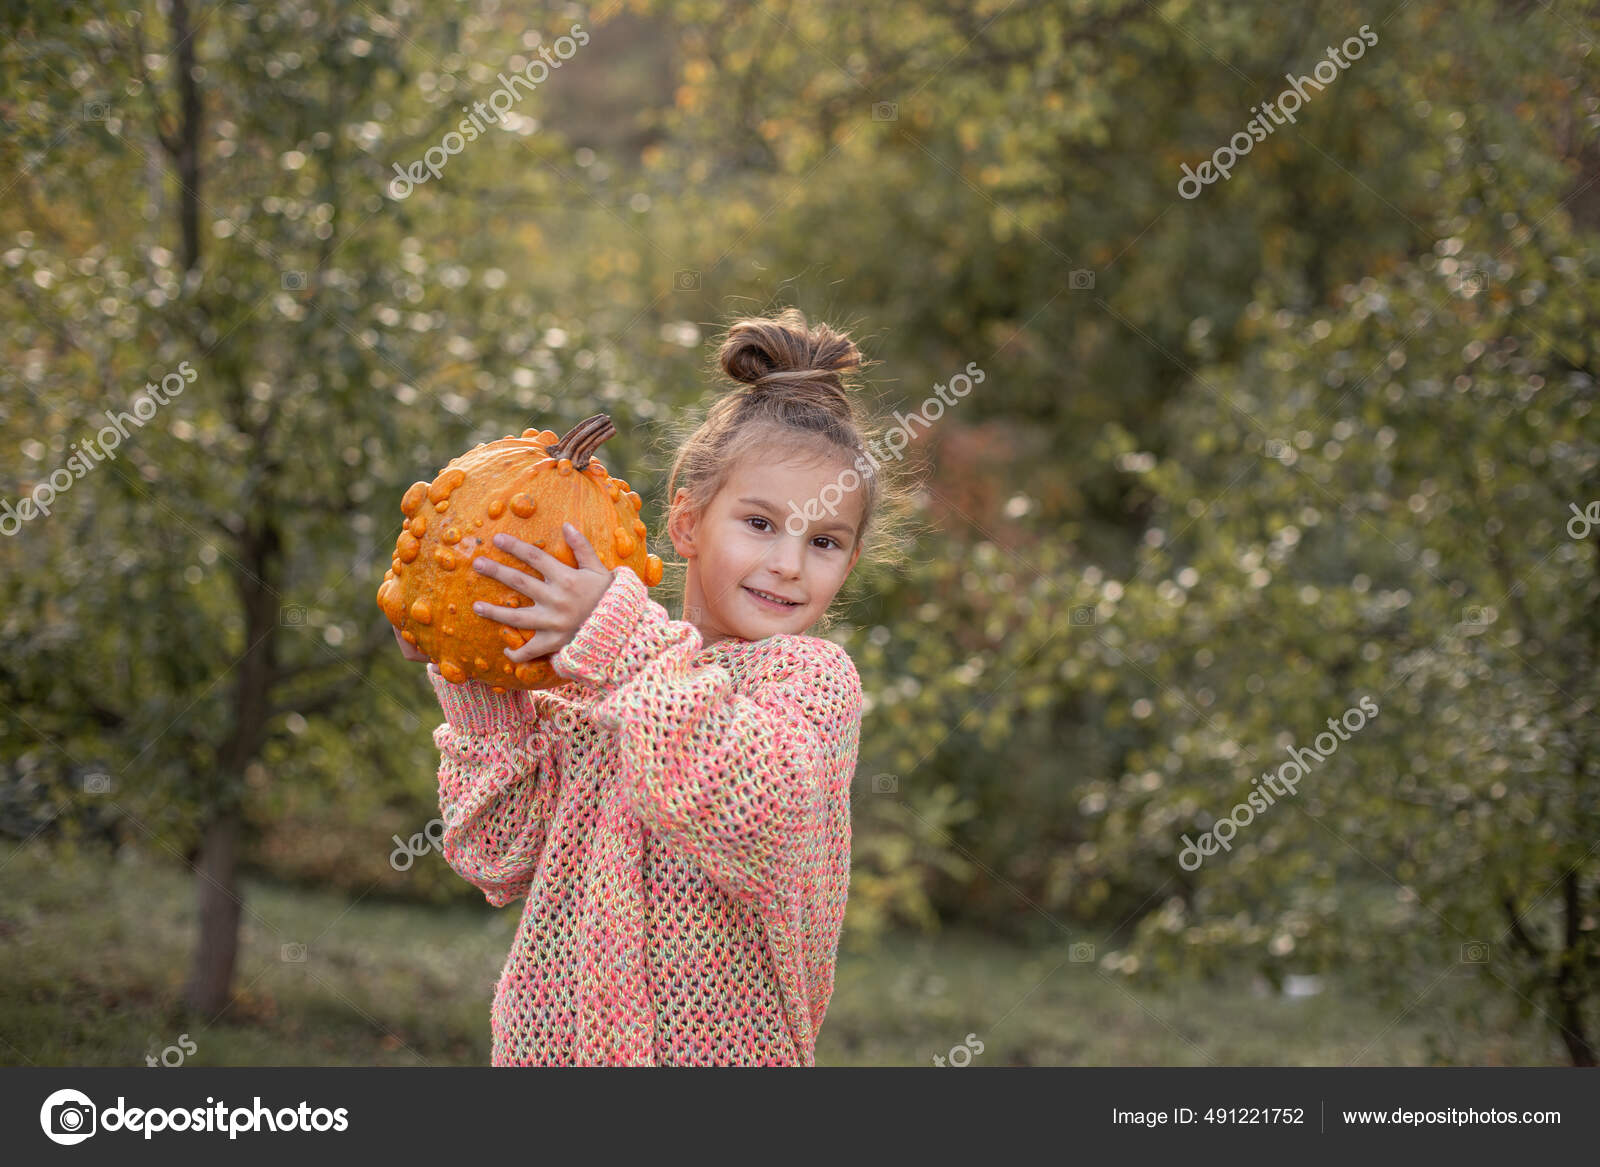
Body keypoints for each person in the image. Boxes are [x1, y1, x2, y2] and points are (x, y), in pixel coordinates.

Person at [392, 307, 913, 1065]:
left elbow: (751, 808)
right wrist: (472, 674)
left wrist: (620, 639)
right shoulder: (595, 684)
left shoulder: (808, 683)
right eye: (761, 523)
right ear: (688, 520)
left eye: (824, 541)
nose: (789, 564)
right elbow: (497, 854)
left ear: (849, 565)